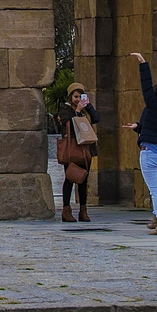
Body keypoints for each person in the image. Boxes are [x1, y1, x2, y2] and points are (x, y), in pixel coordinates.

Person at [121, 53, 157, 236]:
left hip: (150, 152)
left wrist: (143, 64)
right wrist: (138, 127)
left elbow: (146, 87)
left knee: (155, 190)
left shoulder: (153, 104)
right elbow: (155, 126)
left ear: (156, 95)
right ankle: (156, 218)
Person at [54, 84, 99, 222]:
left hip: (85, 149)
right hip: (72, 148)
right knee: (70, 178)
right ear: (70, 96)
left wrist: (88, 107)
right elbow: (69, 124)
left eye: (80, 96)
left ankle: (83, 210)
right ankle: (66, 210)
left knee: (83, 180)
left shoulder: (85, 109)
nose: (78, 99)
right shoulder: (65, 109)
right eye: (75, 96)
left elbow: (96, 119)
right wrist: (78, 110)